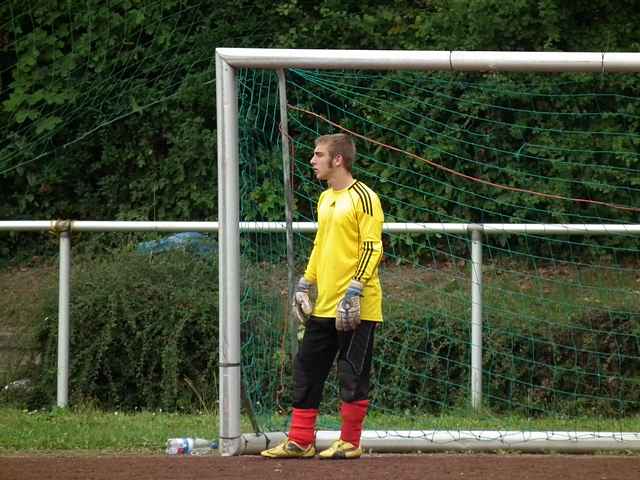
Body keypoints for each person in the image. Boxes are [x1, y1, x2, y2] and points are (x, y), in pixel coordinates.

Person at [261, 133, 384, 460]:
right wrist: (305, 282)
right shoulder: (325, 198)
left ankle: (350, 442)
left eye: (318, 155)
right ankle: (301, 441)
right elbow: (320, 245)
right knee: (307, 368)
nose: (313, 160)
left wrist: (356, 287)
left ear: (338, 160)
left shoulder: (365, 197)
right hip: (325, 305)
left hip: (357, 305)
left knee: (352, 374)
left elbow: (373, 246)